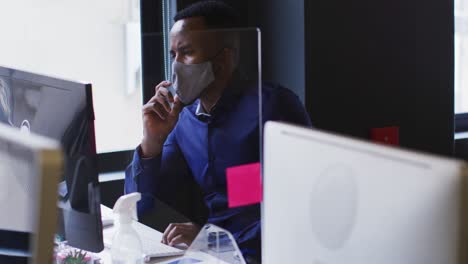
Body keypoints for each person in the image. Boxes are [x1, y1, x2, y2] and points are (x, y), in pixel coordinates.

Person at [125, 1, 311, 262]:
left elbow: (296, 206)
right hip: (211, 256)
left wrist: (210, 241)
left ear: (224, 58)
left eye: (186, 52)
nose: (176, 66)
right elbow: (140, 207)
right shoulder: (184, 121)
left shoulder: (273, 107)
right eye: (173, 55)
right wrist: (151, 143)